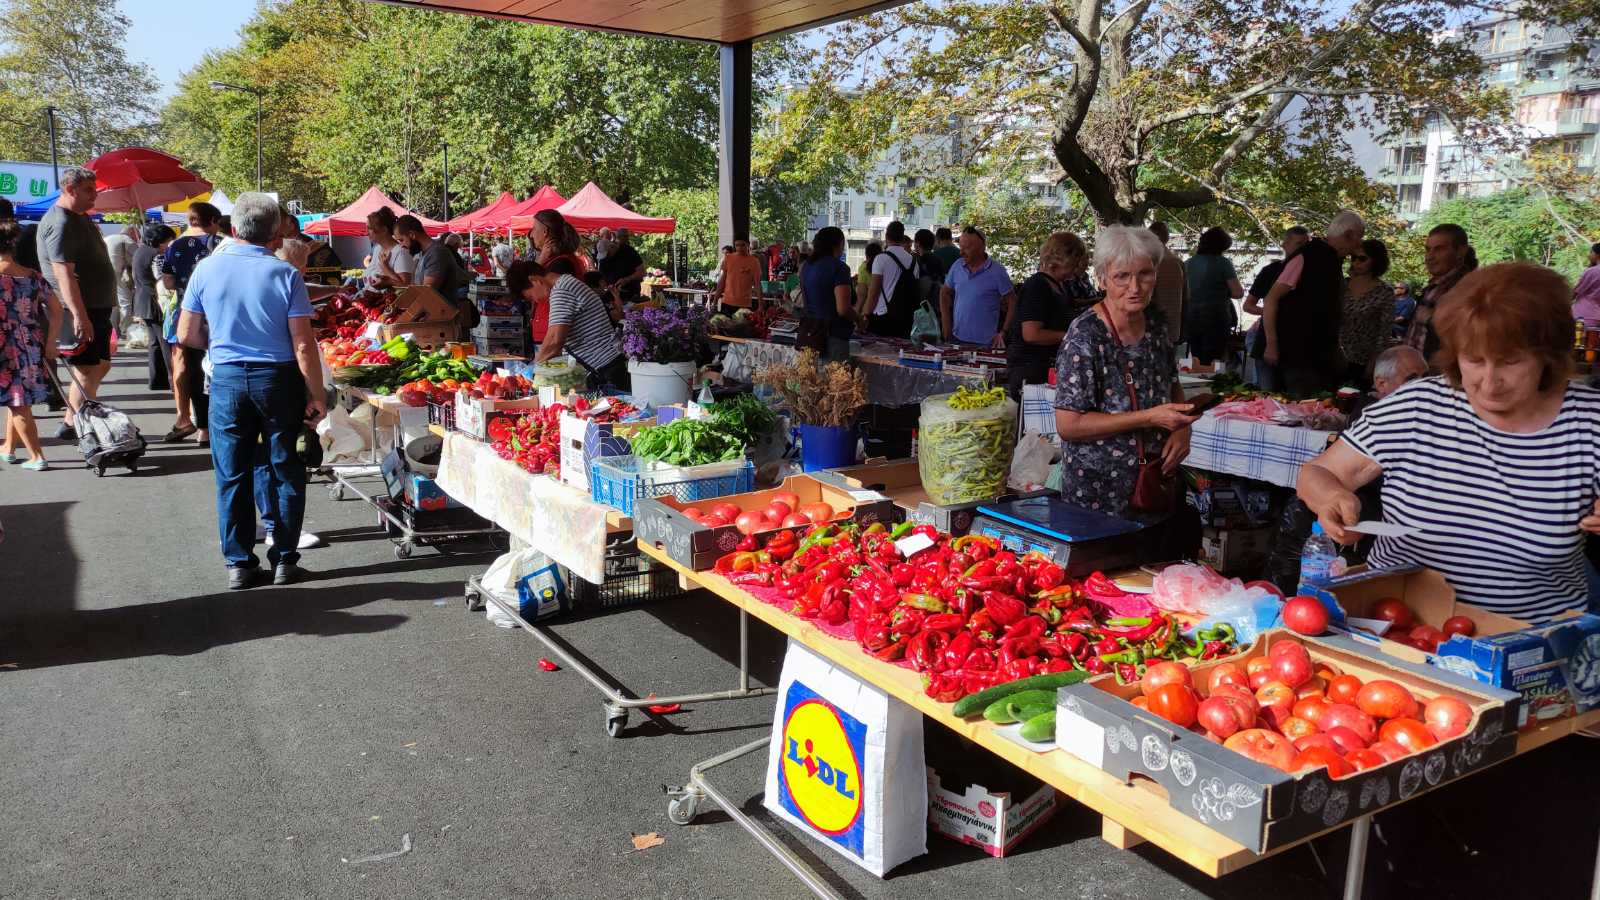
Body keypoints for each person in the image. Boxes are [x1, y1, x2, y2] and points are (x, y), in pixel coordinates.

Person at [1298, 262, 1600, 622]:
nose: (1490, 381)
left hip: (1530, 648)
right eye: (1474, 360)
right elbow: (1315, 474)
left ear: (1548, 356)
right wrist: (1332, 497)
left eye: (1510, 362)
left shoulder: (1588, 422)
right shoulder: (1418, 405)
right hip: (1401, 629)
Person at [176, 193, 326, 590]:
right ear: (275, 231)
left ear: (234, 227)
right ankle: (284, 560)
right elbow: (302, 344)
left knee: (232, 473)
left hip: (226, 379)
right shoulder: (284, 274)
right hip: (278, 379)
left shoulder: (205, 269)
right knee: (285, 469)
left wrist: (222, 345)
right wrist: (317, 393)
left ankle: (239, 564)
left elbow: (186, 333)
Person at [1053, 226, 1196, 516]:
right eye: (1122, 276)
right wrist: (1148, 417)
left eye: (1145, 274)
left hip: (1153, 483)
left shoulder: (1156, 327)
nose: (1135, 287)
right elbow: (1069, 425)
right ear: (1102, 279)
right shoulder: (1086, 335)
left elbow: (1171, 385)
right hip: (1097, 492)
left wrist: (1183, 430)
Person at [36, 166, 118, 443]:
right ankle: (81, 424)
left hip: (97, 306)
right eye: (88, 191)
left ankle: (73, 420)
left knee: (101, 365)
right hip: (81, 308)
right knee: (86, 369)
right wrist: (79, 315)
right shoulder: (61, 222)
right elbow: (63, 273)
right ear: (70, 189)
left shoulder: (79, 217)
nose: (94, 196)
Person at [1261, 210, 1366, 397]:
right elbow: (1271, 299)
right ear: (1348, 235)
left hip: (1319, 356)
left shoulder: (1333, 260)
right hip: (1298, 355)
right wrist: (1272, 344)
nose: (1359, 244)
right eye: (1359, 237)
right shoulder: (1307, 256)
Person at [1, 220, 63, 470]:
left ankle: (37, 456)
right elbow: (57, 311)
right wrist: (51, 342)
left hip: (5, 347)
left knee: (18, 403)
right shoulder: (33, 276)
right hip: (30, 343)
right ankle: (8, 448)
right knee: (16, 399)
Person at [161, 200, 224, 446]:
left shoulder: (175, 245)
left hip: (190, 315)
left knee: (195, 371)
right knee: (222, 368)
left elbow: (167, 282)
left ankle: (204, 429)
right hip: (220, 315)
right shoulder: (221, 244)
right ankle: (223, 422)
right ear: (214, 221)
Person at [511, 261, 630, 391]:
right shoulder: (563, 285)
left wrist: (534, 369)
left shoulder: (561, 291)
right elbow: (553, 337)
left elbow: (555, 341)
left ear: (534, 280)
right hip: (605, 366)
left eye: (530, 296)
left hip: (607, 368)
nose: (535, 300)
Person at [1006, 231, 1087, 398]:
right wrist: (1071, 336)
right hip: (1030, 369)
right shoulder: (1037, 286)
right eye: (1072, 264)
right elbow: (1031, 334)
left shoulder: (1059, 286)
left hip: (1047, 367)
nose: (1074, 270)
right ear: (1057, 261)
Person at [1242, 226, 1310, 390]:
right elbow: (1248, 305)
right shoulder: (1270, 271)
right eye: (1298, 244)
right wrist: (1268, 312)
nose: (1303, 249)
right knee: (1267, 394)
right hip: (1267, 340)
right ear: (1285, 245)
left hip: (1298, 345)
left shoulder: (1311, 272)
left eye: (1306, 245)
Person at [1402, 223, 1475, 359]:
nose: (1430, 256)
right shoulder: (1435, 285)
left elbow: (1474, 332)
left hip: (1439, 374)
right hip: (1415, 370)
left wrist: (1433, 319)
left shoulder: (1468, 287)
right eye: (1428, 249)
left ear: (1460, 251)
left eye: (1439, 249)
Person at [940, 227, 1016, 348]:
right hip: (956, 338)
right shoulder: (957, 266)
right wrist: (946, 323)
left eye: (967, 248)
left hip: (985, 343)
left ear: (981, 248)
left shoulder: (997, 271)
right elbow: (944, 292)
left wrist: (1004, 332)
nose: (961, 252)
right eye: (961, 247)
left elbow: (1013, 301)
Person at [1183, 226, 1244, 365]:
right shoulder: (1223, 263)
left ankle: (1198, 382)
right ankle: (1212, 384)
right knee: (1214, 361)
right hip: (1216, 318)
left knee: (1197, 358)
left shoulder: (1188, 263)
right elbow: (1238, 292)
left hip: (1191, 317)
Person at [1340, 238, 1394, 386]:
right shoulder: (1342, 286)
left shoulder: (1385, 292)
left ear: (1375, 261)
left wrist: (1374, 363)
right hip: (1335, 357)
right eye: (1353, 258)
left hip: (1363, 362)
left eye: (1362, 258)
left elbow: (1384, 333)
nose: (1356, 262)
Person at [798, 226, 857, 362]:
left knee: (811, 380)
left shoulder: (806, 266)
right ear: (839, 244)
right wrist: (858, 318)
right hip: (832, 337)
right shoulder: (839, 268)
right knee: (833, 381)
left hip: (809, 334)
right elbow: (843, 309)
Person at [528, 209, 586, 345]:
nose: (531, 234)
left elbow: (529, 288)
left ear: (545, 232)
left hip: (553, 335)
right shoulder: (558, 261)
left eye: (534, 228)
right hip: (550, 331)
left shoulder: (560, 263)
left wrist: (540, 261)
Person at [133, 223, 175, 391]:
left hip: (143, 300)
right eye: (169, 241)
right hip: (155, 301)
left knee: (155, 343)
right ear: (161, 240)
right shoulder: (156, 255)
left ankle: (157, 380)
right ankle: (173, 380)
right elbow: (161, 281)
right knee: (164, 342)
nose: (169, 245)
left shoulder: (140, 250)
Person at [864, 221, 923, 337]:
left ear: (886, 237)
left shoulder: (880, 259)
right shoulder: (914, 261)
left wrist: (865, 314)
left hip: (883, 316)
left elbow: (873, 292)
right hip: (906, 318)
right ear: (902, 238)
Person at [395, 215, 467, 303]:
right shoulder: (423, 253)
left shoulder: (436, 253)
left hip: (441, 315)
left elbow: (426, 294)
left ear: (412, 235)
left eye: (401, 240)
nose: (402, 245)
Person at [1148, 221, 1188, 343]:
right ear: (1167, 238)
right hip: (1172, 326)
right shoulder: (1177, 262)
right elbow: (1186, 297)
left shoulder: (1145, 261)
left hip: (1148, 325)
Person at [362, 207, 414, 289]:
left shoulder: (401, 253)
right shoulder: (377, 249)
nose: (366, 233)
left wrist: (385, 267)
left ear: (384, 230)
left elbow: (406, 288)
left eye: (370, 228)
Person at [711, 238, 761, 315]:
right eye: (737, 245)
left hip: (744, 305)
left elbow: (757, 284)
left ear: (748, 245)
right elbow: (722, 281)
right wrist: (714, 302)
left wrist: (761, 305)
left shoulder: (754, 261)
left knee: (741, 327)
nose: (740, 248)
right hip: (727, 303)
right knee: (724, 326)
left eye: (742, 245)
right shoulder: (728, 258)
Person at [598, 227, 645, 308]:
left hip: (631, 295)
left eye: (607, 254)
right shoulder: (603, 259)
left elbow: (641, 272)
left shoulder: (629, 252)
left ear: (612, 248)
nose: (606, 258)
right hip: (611, 296)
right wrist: (607, 286)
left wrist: (627, 279)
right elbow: (602, 276)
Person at [104, 224, 139, 334]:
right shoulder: (128, 241)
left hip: (103, 273)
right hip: (118, 274)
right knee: (126, 303)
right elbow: (136, 261)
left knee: (112, 303)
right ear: (132, 233)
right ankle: (126, 329)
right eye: (137, 235)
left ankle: (113, 330)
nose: (138, 238)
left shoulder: (107, 238)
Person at [1572, 241, 1600, 327]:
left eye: (1591, 252)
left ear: (1597, 254)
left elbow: (1574, 293)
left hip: (1584, 316)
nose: (1589, 255)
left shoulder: (1592, 271)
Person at [856, 241, 882, 312]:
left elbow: (862, 295)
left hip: (868, 308)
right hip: (883, 308)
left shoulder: (863, 268)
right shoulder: (884, 266)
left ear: (866, 255)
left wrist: (857, 313)